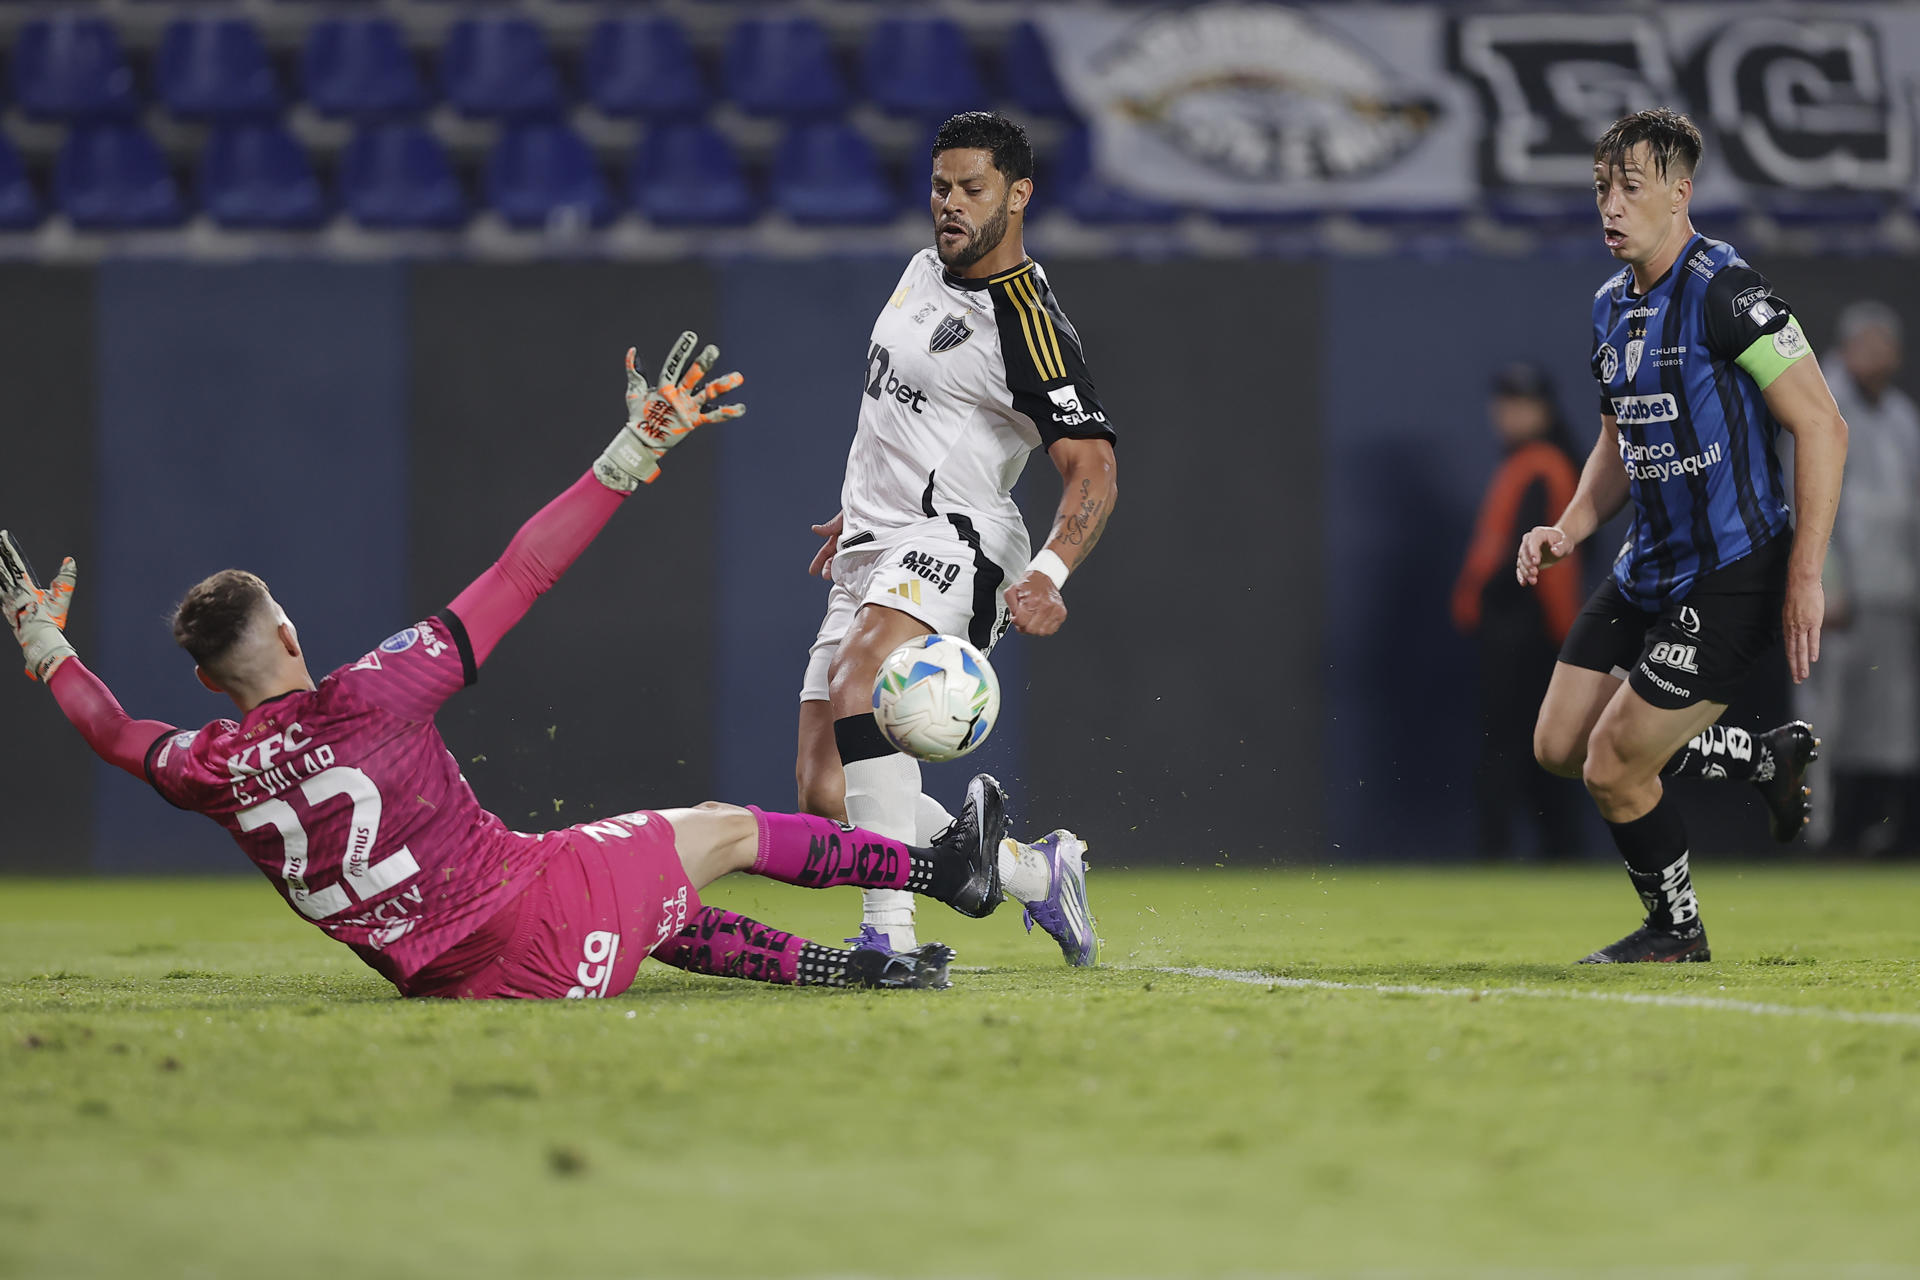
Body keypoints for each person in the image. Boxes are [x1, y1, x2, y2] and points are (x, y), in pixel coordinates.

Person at [0, 334, 1029, 1000]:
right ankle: (949, 868)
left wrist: (48, 649)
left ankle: (863, 971)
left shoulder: (208, 764)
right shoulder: (373, 694)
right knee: (724, 826)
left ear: (206, 683)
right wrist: (630, 454)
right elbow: (522, 569)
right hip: (529, 917)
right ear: (288, 637)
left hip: (463, 976)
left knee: (655, 892)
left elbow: (112, 733)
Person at [1518, 108, 1848, 963]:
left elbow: (1823, 426)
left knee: (1612, 765)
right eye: (1601, 189)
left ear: (1679, 193)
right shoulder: (1607, 308)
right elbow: (1617, 442)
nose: (1611, 207)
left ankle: (1676, 932)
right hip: (1647, 567)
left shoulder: (1727, 291)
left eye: (1631, 188)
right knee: (1557, 745)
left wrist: (1805, 576)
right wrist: (1571, 525)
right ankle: (1759, 762)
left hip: (1732, 574)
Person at [795, 111, 1115, 964]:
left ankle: (888, 940)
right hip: (874, 537)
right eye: (941, 186)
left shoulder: (1029, 325)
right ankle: (1036, 874)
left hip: (961, 537)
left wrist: (1050, 573)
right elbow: (902, 412)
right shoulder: (918, 271)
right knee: (827, 787)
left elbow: (1094, 471)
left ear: (1018, 196)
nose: (951, 204)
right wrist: (860, 509)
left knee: (861, 673)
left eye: (972, 189)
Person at [1790, 302, 1920, 854]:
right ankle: (1813, 832)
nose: (1881, 356)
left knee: (1889, 720)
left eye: (1887, 345)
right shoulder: (1820, 403)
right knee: (1825, 718)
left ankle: (1876, 829)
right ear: (1846, 348)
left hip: (1893, 593)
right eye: (1870, 344)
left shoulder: (1901, 415)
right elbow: (1807, 503)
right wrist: (1821, 583)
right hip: (1835, 595)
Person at [1452, 363, 1586, 859]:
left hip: (1528, 636)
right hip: (1515, 632)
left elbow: (1545, 569)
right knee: (1527, 752)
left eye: (1521, 404)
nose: (1507, 414)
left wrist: (1559, 635)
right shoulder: (1525, 462)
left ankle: (1510, 852)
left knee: (1515, 751)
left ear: (1544, 410)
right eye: (1504, 403)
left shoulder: (1545, 465)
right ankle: (1552, 853)